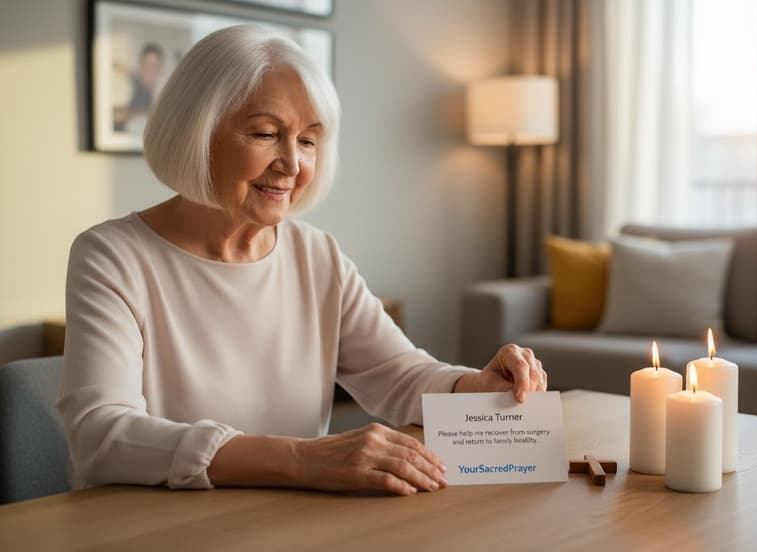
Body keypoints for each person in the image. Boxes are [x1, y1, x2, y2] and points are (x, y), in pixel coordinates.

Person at [58, 25, 547, 496]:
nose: (292, 164)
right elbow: (102, 435)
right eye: (266, 134)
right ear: (197, 132)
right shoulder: (112, 256)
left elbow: (398, 374)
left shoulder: (317, 255)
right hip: (153, 527)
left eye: (308, 140)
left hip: (289, 522)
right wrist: (304, 459)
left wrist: (472, 387)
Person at [112, 43, 163, 132]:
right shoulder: (136, 81)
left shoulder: (161, 94)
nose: (149, 71)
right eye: (146, 65)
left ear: (159, 69)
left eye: (154, 66)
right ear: (140, 66)